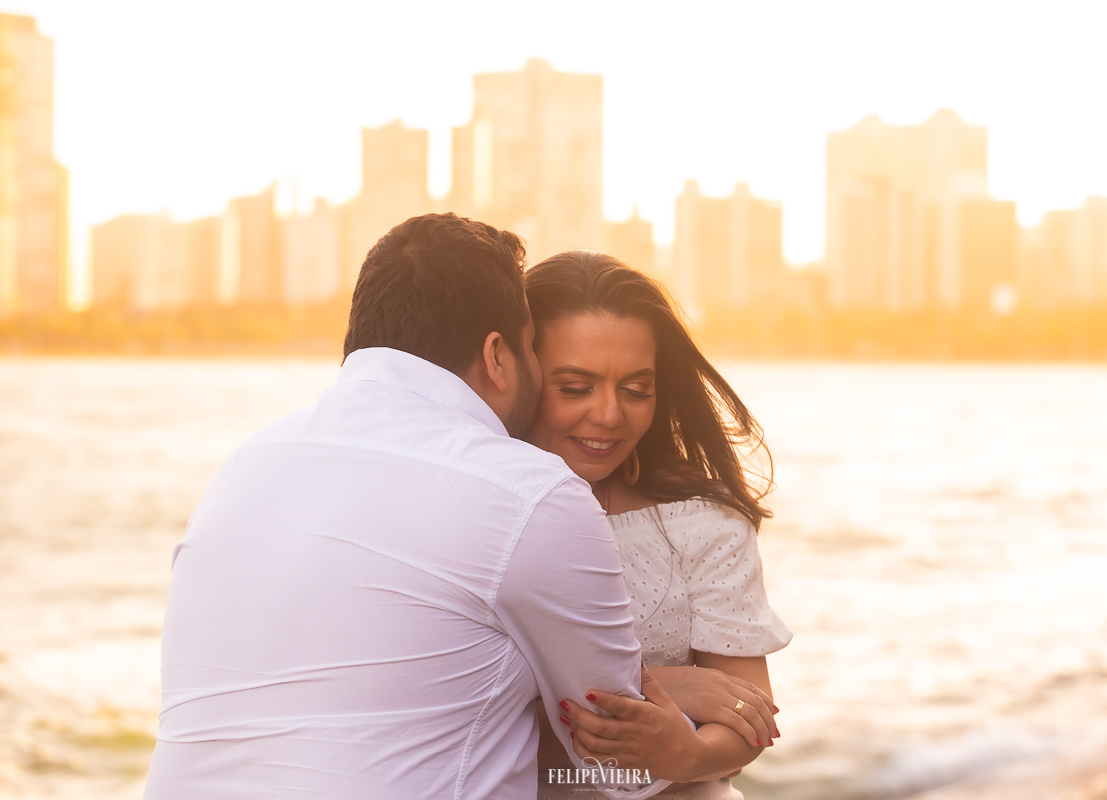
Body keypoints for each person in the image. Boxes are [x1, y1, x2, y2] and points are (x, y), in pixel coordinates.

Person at [144, 214, 704, 799]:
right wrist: (685, 700)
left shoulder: (244, 465)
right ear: (497, 355)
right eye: (533, 348)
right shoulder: (530, 492)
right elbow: (623, 766)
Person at [523, 251, 794, 800]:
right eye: (574, 387)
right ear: (518, 375)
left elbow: (748, 714)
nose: (608, 415)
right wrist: (668, 687)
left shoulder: (700, 520)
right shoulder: (470, 511)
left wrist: (690, 754)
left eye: (635, 389)